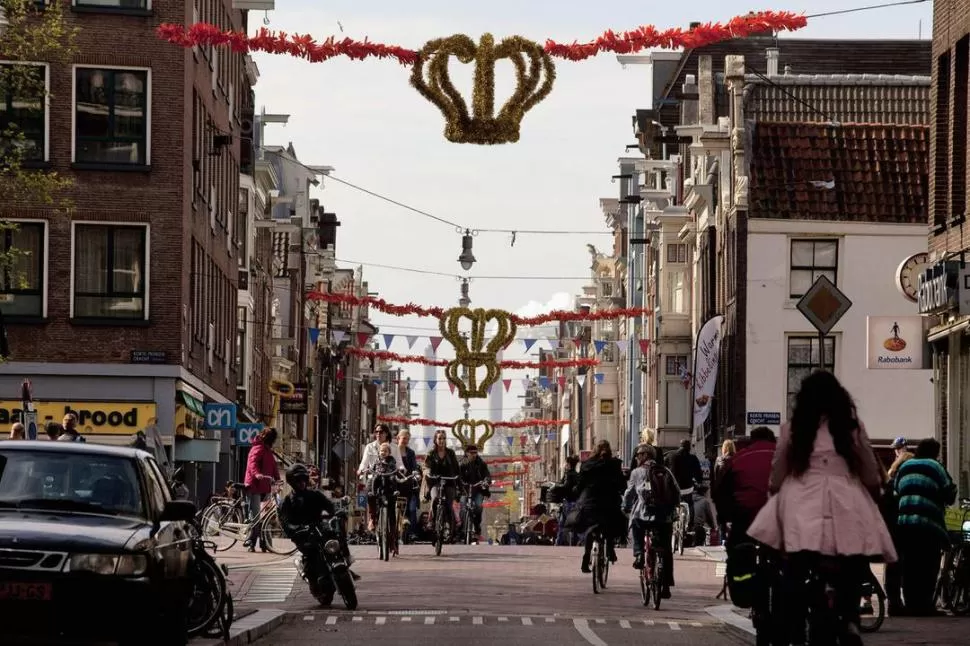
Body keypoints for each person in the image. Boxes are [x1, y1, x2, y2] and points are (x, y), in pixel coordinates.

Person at [747, 371, 896, 646]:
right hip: (846, 504)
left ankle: (792, 622)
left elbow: (778, 472)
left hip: (802, 506)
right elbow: (870, 471)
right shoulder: (852, 428)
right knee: (852, 562)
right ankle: (850, 618)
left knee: (794, 565)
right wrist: (872, 495)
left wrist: (775, 495)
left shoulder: (793, 429)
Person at [894, 437, 957, 616]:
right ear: (934, 452)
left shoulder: (904, 467)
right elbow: (949, 491)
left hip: (905, 523)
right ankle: (925, 605)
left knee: (909, 566)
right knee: (928, 564)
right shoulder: (935, 466)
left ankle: (910, 604)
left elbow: (897, 489)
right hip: (928, 524)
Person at [277, 464, 359, 591]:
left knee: (336, 536)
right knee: (311, 553)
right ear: (292, 482)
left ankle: (345, 560)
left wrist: (337, 512)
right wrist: (295, 529)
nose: (302, 483)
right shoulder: (286, 502)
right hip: (303, 534)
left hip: (320, 528)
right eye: (298, 481)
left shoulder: (315, 495)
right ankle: (312, 580)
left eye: (303, 479)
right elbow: (285, 522)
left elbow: (329, 506)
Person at [623, 444, 679, 598]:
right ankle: (666, 586)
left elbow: (629, 494)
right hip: (664, 517)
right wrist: (672, 509)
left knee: (635, 525)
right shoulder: (665, 471)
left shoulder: (636, 472)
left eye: (638, 455)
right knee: (666, 549)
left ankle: (639, 554)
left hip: (644, 515)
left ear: (644, 456)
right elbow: (676, 492)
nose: (637, 458)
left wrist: (625, 507)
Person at [567, 440, 626, 573]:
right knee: (612, 522)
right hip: (609, 501)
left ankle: (585, 559)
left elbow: (580, 484)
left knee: (590, 528)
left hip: (590, 501)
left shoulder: (587, 465)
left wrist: (576, 491)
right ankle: (610, 550)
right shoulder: (614, 464)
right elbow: (621, 483)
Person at [712, 426, 776, 549]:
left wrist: (723, 517)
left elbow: (720, 490)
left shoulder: (738, 458)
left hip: (745, 513)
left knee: (736, 548)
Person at [357, 424, 402, 532]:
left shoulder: (394, 447)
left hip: (389, 477)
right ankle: (372, 518)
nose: (378, 434)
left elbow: (400, 463)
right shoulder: (370, 447)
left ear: (386, 433)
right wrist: (361, 470)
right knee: (369, 492)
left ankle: (392, 539)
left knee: (391, 505)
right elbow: (364, 462)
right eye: (376, 432)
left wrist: (402, 469)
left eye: (381, 432)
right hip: (375, 476)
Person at [243, 427, 281, 552]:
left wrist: (278, 479)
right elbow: (252, 463)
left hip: (265, 486)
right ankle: (251, 543)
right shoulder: (258, 448)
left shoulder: (268, 451)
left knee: (265, 517)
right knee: (256, 517)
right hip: (254, 485)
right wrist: (257, 474)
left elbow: (273, 466)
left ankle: (264, 544)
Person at [423, 429, 461, 537]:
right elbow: (425, 466)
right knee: (435, 499)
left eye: (444, 438)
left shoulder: (450, 453)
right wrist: (428, 472)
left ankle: (449, 525)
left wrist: (457, 478)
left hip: (449, 481)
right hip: (435, 481)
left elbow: (456, 468)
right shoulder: (431, 453)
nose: (442, 440)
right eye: (439, 438)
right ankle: (433, 520)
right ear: (435, 440)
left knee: (449, 504)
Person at [458, 444, 491, 542]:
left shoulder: (481, 464)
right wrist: (460, 483)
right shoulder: (461, 464)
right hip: (465, 490)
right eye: (472, 453)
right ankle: (462, 528)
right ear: (467, 453)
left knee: (478, 506)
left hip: (478, 490)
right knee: (463, 506)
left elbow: (487, 475)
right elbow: (457, 475)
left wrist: (486, 481)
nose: (474, 455)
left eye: (475, 453)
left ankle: (477, 528)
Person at [666, 438, 702, 527]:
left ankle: (670, 521)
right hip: (687, 489)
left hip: (674, 489)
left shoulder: (671, 456)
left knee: (671, 504)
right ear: (689, 448)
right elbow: (698, 474)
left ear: (680, 446)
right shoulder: (693, 458)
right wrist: (699, 482)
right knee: (690, 503)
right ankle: (690, 525)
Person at [396, 430, 420, 539]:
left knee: (412, 509)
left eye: (407, 439)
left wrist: (415, 473)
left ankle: (411, 533)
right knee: (396, 508)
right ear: (398, 438)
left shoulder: (411, 453)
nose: (405, 441)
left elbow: (414, 467)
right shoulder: (393, 451)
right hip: (396, 483)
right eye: (404, 438)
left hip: (409, 484)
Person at [555, 455, 581, 546]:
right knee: (574, 525)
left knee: (562, 524)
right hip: (576, 502)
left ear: (569, 464)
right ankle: (574, 543)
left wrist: (556, 487)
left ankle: (558, 543)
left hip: (568, 502)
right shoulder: (577, 475)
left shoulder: (568, 475)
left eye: (566, 463)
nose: (565, 465)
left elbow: (565, 486)